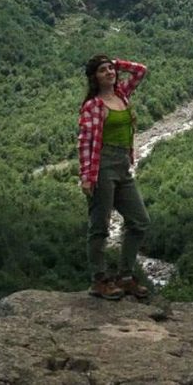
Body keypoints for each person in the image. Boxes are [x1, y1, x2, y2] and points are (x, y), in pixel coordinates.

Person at [78, 54, 151, 300]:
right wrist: (87, 176)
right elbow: (85, 142)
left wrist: (115, 63)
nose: (109, 72)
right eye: (103, 70)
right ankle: (99, 280)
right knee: (100, 227)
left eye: (111, 69)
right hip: (103, 167)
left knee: (139, 220)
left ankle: (125, 276)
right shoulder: (93, 106)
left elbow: (140, 70)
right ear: (94, 78)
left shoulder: (121, 95)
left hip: (122, 166)